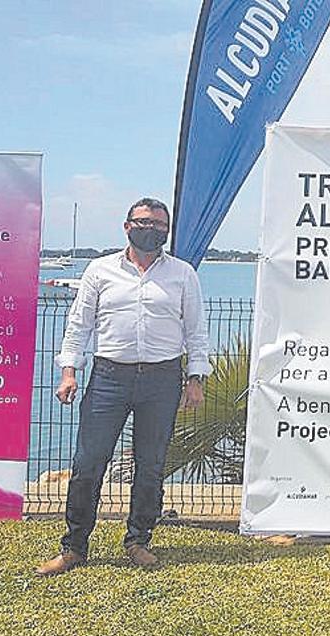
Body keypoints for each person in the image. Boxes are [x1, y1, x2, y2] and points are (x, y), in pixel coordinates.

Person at [35, 198, 211, 576]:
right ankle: (75, 546)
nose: (153, 230)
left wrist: (195, 378)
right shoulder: (99, 271)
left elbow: (196, 331)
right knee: (88, 464)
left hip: (163, 379)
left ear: (166, 231)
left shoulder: (182, 274)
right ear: (127, 225)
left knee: (151, 465)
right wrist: (69, 371)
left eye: (160, 225)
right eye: (145, 222)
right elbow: (79, 325)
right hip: (109, 378)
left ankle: (138, 540)